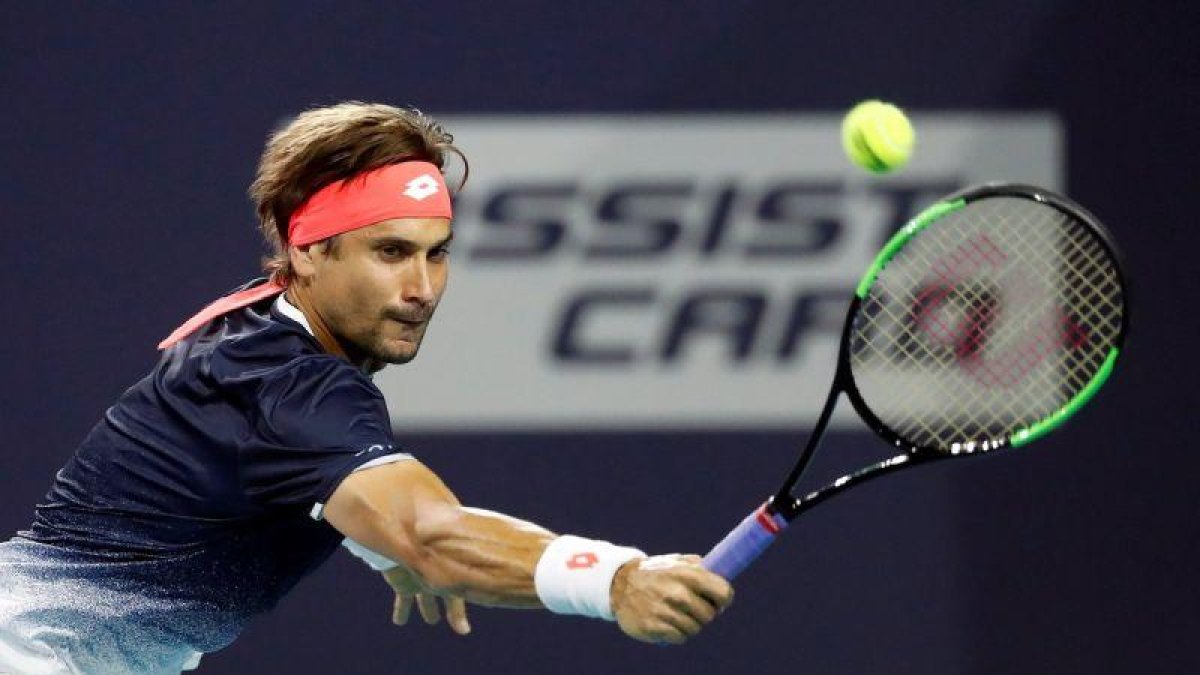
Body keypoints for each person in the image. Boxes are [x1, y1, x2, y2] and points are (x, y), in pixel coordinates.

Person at [0, 102, 733, 675]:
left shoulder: (260, 327)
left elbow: (287, 471)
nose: (421, 288)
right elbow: (433, 534)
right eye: (390, 252)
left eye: (436, 254)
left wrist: (382, 547)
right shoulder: (291, 383)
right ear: (308, 252)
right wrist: (616, 578)